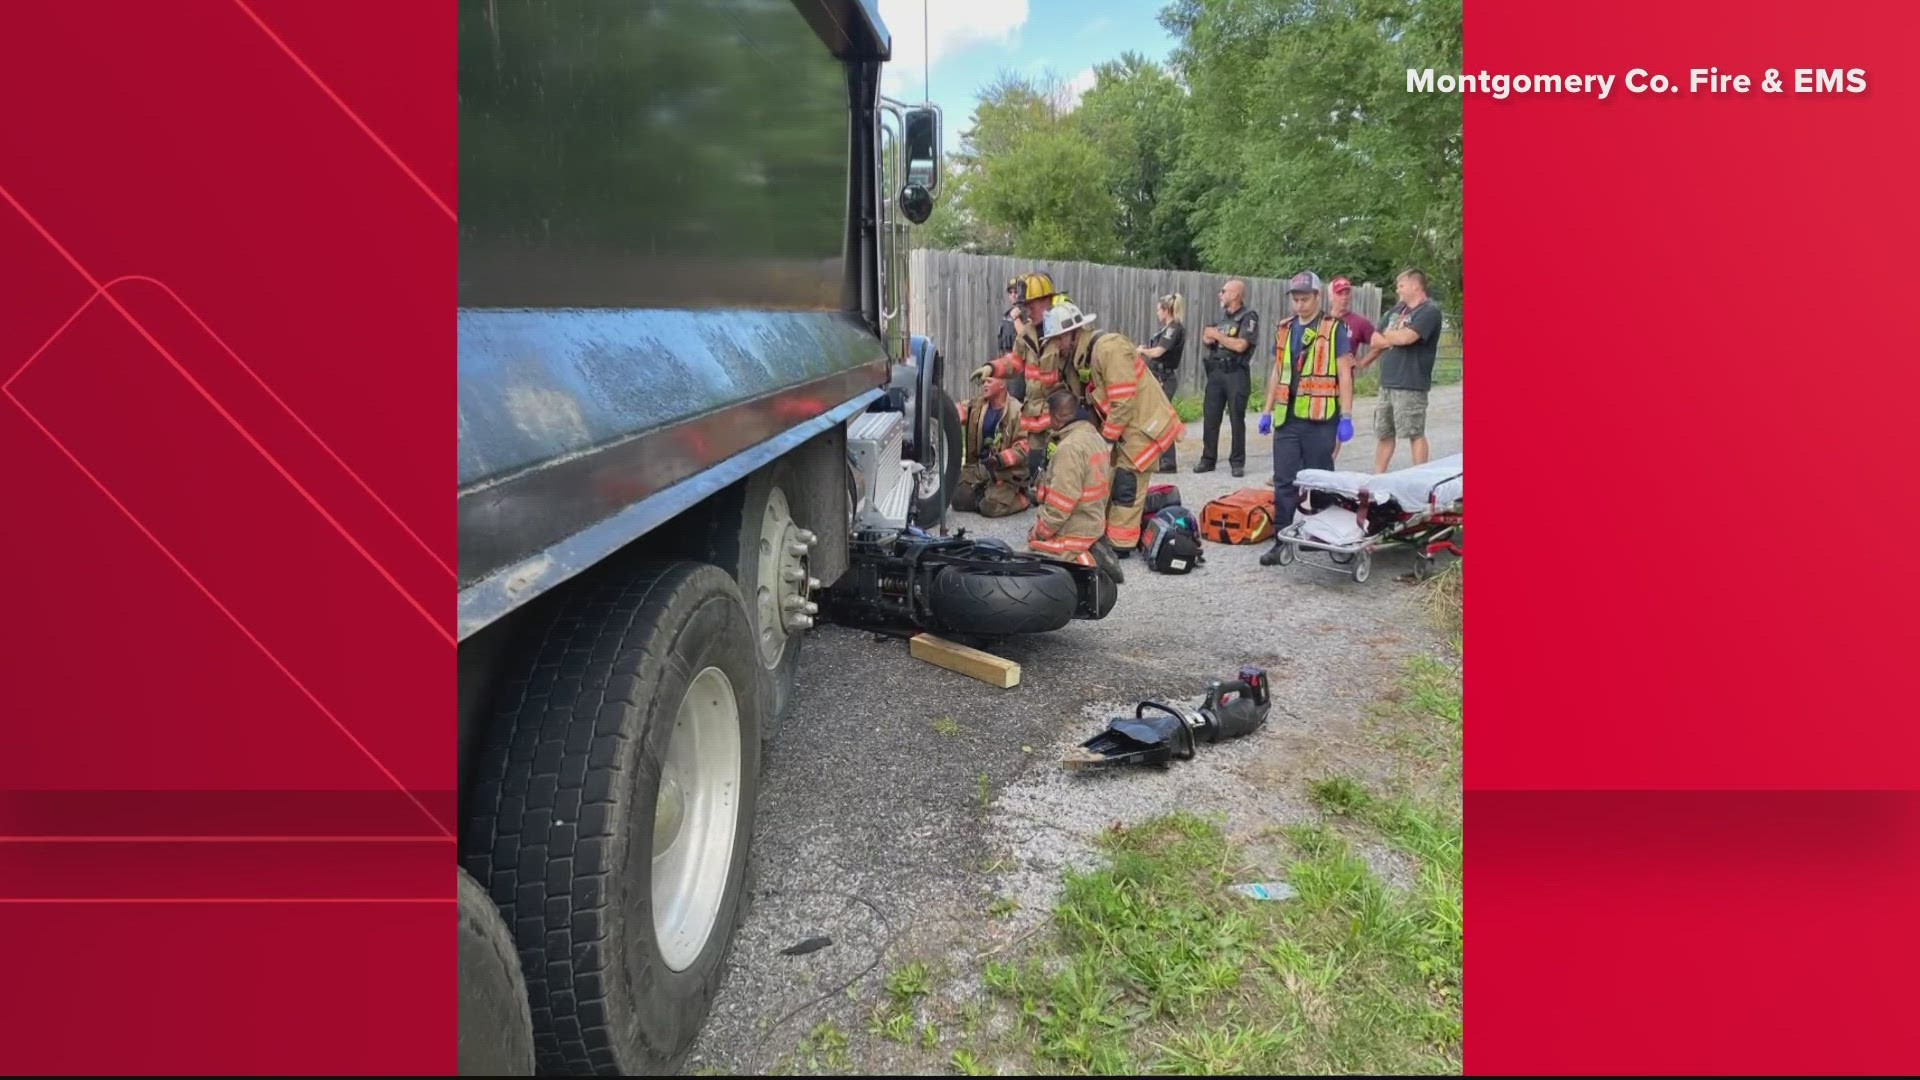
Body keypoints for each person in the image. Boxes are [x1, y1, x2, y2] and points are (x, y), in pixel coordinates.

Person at [1039, 300, 1185, 556]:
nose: (1056, 347)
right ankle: (1157, 502)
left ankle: (1122, 545)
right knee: (1108, 483)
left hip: (1142, 426)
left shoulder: (1108, 348)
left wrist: (1104, 441)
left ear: (1072, 334)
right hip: (1122, 428)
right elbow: (1081, 404)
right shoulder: (1078, 359)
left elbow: (1124, 401)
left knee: (1125, 485)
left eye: (1057, 340)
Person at [1257, 272, 1356, 567]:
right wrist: (1266, 410)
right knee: (1284, 480)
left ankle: (1323, 536)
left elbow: (1344, 374)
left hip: (1321, 417)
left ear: (1316, 296)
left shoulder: (1334, 328)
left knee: (1321, 480)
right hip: (1287, 418)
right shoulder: (1285, 329)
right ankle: (1282, 540)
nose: (1299, 305)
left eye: (1305, 299)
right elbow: (1277, 370)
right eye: (1295, 299)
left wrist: (1346, 416)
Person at [1028, 389, 1126, 582]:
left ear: (1056, 417)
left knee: (1030, 556)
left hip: (1074, 530)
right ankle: (1090, 547)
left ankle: (1085, 561)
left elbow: (1061, 505)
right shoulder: (1093, 436)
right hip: (1094, 522)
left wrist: (1040, 531)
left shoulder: (1069, 449)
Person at [1356, 268, 1445, 472]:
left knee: (1414, 431)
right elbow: (1377, 339)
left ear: (1416, 285)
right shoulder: (1396, 311)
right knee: (1385, 432)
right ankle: (1378, 477)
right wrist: (1363, 362)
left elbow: (1408, 338)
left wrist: (1391, 335)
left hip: (1411, 382)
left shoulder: (1429, 311)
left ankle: (1421, 479)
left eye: (1401, 285)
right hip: (1388, 382)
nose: (1398, 290)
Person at [1195, 279, 1259, 477]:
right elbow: (1209, 338)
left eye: (1223, 291)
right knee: (1210, 417)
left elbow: (1241, 345)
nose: (1220, 295)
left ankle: (1237, 462)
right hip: (1216, 373)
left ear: (1235, 295)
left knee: (1236, 418)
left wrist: (1217, 336)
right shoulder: (1222, 319)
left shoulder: (1248, 317)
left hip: (1236, 373)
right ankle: (1208, 459)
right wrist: (1209, 338)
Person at [951, 375, 1032, 517]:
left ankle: (1024, 498)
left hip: (1006, 472)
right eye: (983, 382)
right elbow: (958, 411)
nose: (984, 385)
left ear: (1002, 384)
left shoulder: (1018, 411)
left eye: (989, 381)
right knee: (958, 500)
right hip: (980, 468)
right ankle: (985, 494)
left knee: (990, 508)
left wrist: (1000, 459)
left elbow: (1024, 447)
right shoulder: (977, 405)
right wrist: (950, 413)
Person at [1137, 293, 1186, 472]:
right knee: (1158, 417)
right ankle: (1161, 458)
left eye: (1159, 309)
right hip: (1157, 376)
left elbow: (1158, 352)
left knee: (1163, 419)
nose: (1157, 313)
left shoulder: (1174, 328)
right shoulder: (1166, 329)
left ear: (1166, 310)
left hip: (1165, 378)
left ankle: (1168, 461)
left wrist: (1142, 350)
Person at [1326, 278, 1372, 464]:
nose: (1344, 298)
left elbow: (1381, 342)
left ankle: (1327, 464)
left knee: (1337, 424)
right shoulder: (1323, 319)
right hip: (1319, 380)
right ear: (1331, 296)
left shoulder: (1358, 323)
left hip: (1342, 381)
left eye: (1347, 293)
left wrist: (1362, 362)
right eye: (1339, 293)